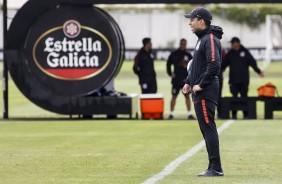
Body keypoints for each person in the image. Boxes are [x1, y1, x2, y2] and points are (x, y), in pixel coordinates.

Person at [182, 7, 224, 176]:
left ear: (201, 21)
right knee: (205, 128)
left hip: (205, 91)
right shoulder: (202, 39)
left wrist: (201, 84)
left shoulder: (210, 39)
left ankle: (216, 168)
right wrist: (188, 82)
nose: (189, 22)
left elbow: (214, 64)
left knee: (208, 128)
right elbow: (197, 65)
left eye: (192, 19)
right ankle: (212, 166)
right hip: (199, 90)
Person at [221, 37, 264, 119]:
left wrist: (259, 72)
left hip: (244, 80)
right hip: (233, 80)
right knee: (234, 97)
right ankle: (234, 114)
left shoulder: (246, 52)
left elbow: (253, 63)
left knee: (244, 96)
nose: (231, 45)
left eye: (232, 43)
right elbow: (224, 65)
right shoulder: (230, 53)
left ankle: (246, 114)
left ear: (237, 43)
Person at [166, 39, 195, 120]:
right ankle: (171, 114)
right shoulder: (174, 54)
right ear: (180, 44)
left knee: (187, 96)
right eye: (182, 44)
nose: (183, 45)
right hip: (176, 79)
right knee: (174, 96)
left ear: (186, 44)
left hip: (185, 80)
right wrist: (170, 73)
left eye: (184, 44)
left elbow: (192, 66)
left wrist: (190, 76)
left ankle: (189, 114)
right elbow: (168, 64)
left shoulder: (188, 55)